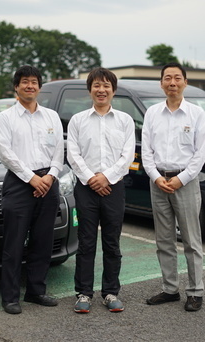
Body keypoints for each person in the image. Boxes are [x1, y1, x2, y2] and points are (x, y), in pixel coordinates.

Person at [0, 65, 64, 314]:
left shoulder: (51, 116)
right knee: (14, 244)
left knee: (42, 241)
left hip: (49, 183)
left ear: (40, 87)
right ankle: (10, 297)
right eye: (25, 82)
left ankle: (36, 291)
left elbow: (59, 150)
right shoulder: (5, 118)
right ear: (16, 86)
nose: (30, 86)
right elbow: (5, 153)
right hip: (19, 183)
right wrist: (32, 178)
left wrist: (51, 175)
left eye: (34, 82)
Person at [141, 62, 205, 312]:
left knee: (192, 240)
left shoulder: (196, 114)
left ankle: (195, 291)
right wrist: (155, 176)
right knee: (164, 240)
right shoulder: (152, 114)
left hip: (186, 182)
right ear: (161, 83)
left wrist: (181, 179)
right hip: (158, 181)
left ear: (185, 82)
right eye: (167, 78)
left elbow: (201, 152)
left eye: (177, 78)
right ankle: (170, 289)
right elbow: (146, 150)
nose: (172, 82)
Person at [67, 67, 135, 313]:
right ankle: (84, 293)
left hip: (114, 188)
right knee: (86, 243)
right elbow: (72, 154)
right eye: (96, 85)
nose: (101, 90)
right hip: (85, 188)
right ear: (90, 90)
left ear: (113, 90)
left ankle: (110, 292)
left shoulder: (125, 121)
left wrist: (106, 178)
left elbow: (127, 155)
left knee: (112, 242)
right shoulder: (78, 120)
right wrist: (91, 178)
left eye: (106, 85)